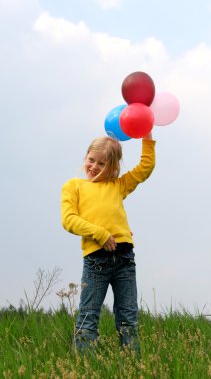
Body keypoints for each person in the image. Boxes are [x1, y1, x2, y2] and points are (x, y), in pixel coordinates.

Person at [61, 131, 156, 354]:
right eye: (91, 160)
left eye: (101, 164)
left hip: (125, 259)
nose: (94, 166)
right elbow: (69, 220)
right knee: (88, 318)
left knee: (128, 318)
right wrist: (100, 234)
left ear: (113, 168)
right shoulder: (73, 186)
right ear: (86, 156)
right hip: (96, 262)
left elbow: (145, 168)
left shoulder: (118, 185)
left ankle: (132, 365)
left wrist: (147, 136)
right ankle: (84, 366)